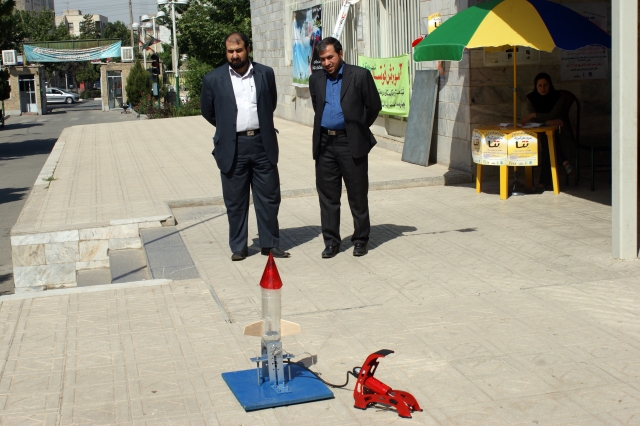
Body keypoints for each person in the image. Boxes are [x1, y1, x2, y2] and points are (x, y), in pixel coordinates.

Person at [201, 32, 290, 261]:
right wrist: (229, 127)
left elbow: (270, 103)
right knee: (235, 201)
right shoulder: (213, 79)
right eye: (230, 51)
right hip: (233, 147)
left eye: (238, 50)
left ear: (247, 49)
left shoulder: (265, 73)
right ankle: (239, 247)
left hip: (262, 143)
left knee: (269, 198)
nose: (234, 55)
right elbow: (208, 111)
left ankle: (270, 244)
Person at [309, 37, 382, 258]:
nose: (326, 63)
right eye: (322, 59)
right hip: (325, 144)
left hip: (350, 143)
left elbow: (373, 106)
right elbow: (317, 106)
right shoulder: (316, 79)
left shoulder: (359, 75)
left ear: (340, 54)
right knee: (328, 196)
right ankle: (331, 242)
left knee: (357, 194)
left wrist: (357, 128)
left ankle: (360, 240)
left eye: (330, 57)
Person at [521, 73, 575, 193]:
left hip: (560, 131)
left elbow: (553, 114)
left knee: (548, 142)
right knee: (547, 140)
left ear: (550, 85)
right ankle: (564, 162)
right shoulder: (531, 98)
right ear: (535, 86)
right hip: (539, 132)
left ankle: (543, 182)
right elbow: (533, 122)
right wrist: (547, 122)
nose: (543, 88)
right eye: (539, 85)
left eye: (545, 85)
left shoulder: (558, 97)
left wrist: (534, 115)